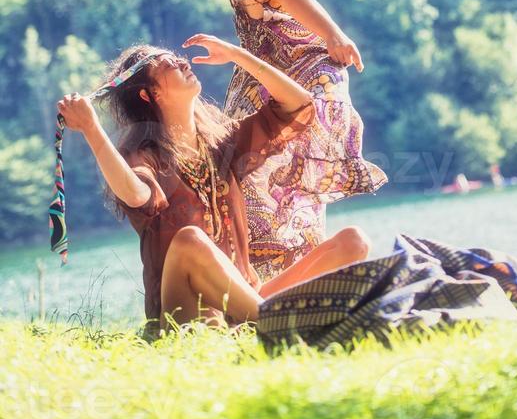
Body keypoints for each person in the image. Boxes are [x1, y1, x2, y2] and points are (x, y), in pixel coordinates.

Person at [53, 0, 386, 279]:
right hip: (301, 63)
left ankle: (275, 277)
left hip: (253, 68)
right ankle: (297, 278)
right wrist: (334, 34)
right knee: (297, 177)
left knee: (260, 179)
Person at [57, 35, 371, 334]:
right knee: (190, 241)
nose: (182, 62)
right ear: (149, 94)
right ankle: (274, 322)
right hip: (188, 315)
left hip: (244, 306)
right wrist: (91, 129)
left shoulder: (221, 143)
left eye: (178, 58)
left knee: (352, 242)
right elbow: (138, 194)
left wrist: (236, 55)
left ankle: (267, 320)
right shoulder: (140, 153)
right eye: (168, 64)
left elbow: (299, 105)